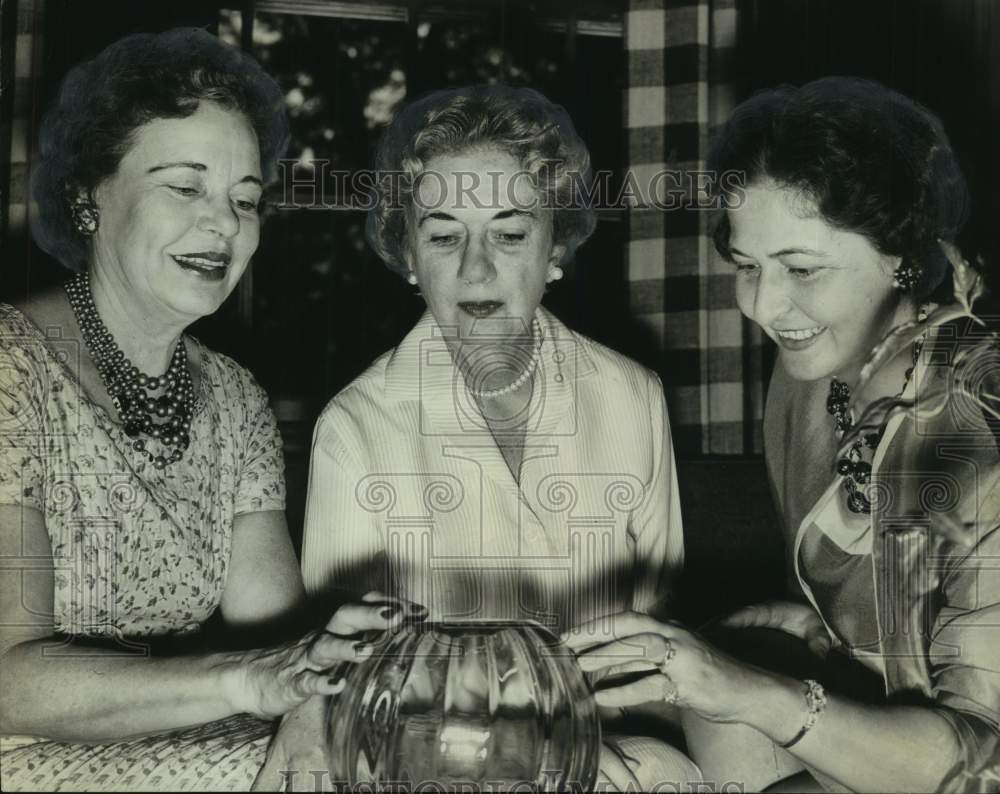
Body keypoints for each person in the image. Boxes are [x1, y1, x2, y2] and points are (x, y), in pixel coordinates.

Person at [564, 77, 1000, 793]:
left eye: (802, 269)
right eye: (746, 267)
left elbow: (984, 760)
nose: (766, 307)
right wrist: (813, 629)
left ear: (902, 252)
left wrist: (745, 690)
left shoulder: (980, 424)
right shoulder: (811, 372)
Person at [0, 28, 408, 792]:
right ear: (88, 197)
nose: (224, 224)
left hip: (179, 738)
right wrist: (254, 684)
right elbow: (6, 682)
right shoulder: (9, 370)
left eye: (244, 200)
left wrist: (309, 706)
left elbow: (279, 642)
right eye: (185, 187)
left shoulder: (233, 398)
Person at [274, 84, 700, 790]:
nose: (476, 269)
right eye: (444, 236)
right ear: (409, 255)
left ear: (556, 246)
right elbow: (344, 675)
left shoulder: (633, 398)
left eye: (509, 233)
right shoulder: (355, 424)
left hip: (612, 755)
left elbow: (659, 647)